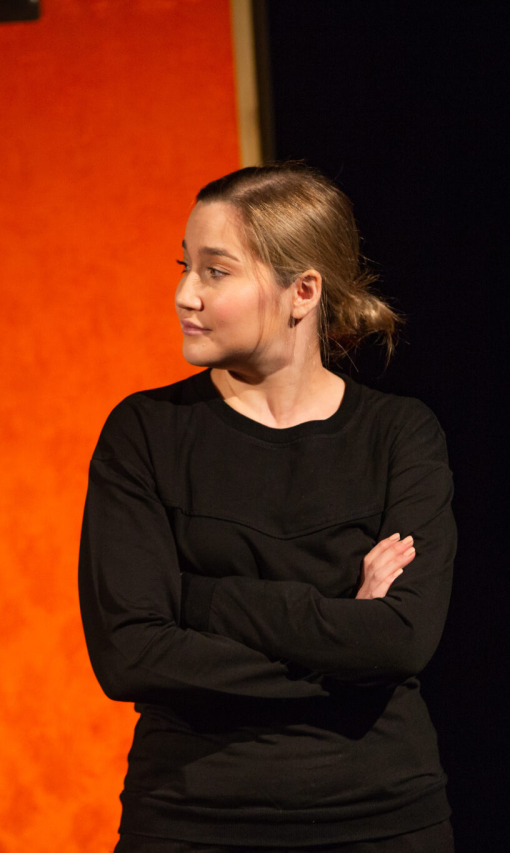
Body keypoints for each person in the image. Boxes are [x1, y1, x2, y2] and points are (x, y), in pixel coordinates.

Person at [78, 163, 457, 852]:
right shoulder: (146, 432)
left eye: (216, 271)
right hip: (193, 818)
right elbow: (130, 654)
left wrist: (201, 599)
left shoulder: (400, 434)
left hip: (379, 816)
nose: (185, 294)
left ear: (302, 291)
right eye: (185, 267)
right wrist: (346, 639)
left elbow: (401, 638)